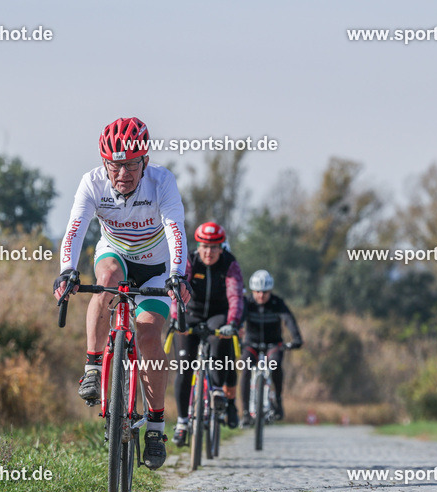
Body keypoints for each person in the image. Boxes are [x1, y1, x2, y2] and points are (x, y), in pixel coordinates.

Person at [53, 117, 189, 470]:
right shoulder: (92, 183)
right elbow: (75, 229)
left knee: (146, 334)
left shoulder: (162, 182)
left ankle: (156, 426)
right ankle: (94, 367)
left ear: (144, 161)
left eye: (131, 164)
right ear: (104, 164)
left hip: (156, 269)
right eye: (115, 165)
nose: (123, 173)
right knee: (107, 279)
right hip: (115, 255)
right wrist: (67, 271)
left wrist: (178, 275)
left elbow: (175, 229)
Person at [170, 221, 244, 445]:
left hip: (218, 314)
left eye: (214, 247)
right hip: (190, 312)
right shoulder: (190, 261)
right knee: (184, 368)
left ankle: (216, 390)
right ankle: (182, 422)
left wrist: (232, 322)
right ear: (198, 246)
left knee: (221, 337)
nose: (209, 252)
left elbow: (235, 296)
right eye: (204, 246)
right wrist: (175, 317)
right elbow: (177, 290)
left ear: (221, 248)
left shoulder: (230, 264)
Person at [240, 269, 302, 425]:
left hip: (273, 344)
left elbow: (289, 320)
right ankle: (246, 412)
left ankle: (278, 401)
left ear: (270, 291)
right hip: (251, 343)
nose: (261, 296)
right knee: (246, 369)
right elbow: (238, 319)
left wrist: (296, 338)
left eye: (265, 292)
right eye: (258, 292)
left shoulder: (277, 303)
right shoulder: (247, 302)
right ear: (252, 291)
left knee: (275, 365)